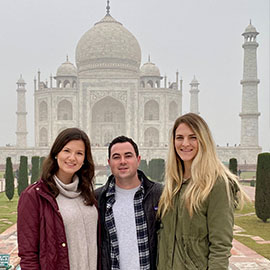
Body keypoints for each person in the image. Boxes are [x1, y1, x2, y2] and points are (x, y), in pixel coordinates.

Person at [157, 113, 248, 270]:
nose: (185, 143)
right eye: (179, 137)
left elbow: (220, 246)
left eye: (193, 137)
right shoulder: (174, 184)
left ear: (204, 140)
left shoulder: (216, 184)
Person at [17, 128, 98, 270]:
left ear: (85, 159)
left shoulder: (87, 194)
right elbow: (28, 255)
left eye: (79, 153)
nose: (72, 158)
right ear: (56, 153)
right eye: (67, 151)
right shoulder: (34, 196)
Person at [95, 136, 163, 270]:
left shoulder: (159, 195)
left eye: (128, 156)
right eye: (116, 157)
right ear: (109, 162)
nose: (122, 161)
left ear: (138, 160)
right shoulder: (98, 199)